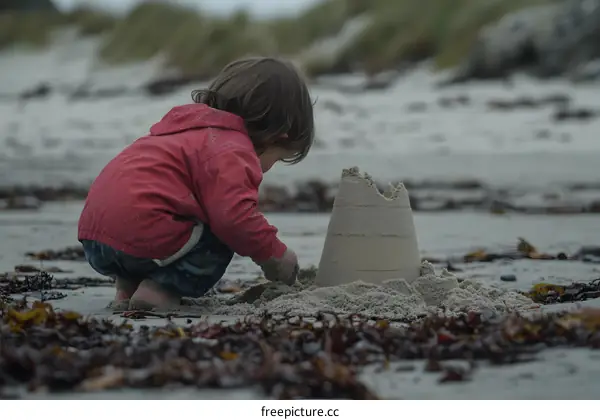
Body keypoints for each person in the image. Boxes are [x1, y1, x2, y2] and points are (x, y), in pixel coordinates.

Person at [78, 57, 315, 311]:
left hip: (95, 240)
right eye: (277, 158)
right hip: (144, 237)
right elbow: (235, 218)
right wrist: (275, 256)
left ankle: (126, 288)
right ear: (279, 135)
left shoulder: (179, 130)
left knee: (167, 217)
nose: (267, 168)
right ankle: (161, 291)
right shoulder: (232, 148)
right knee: (221, 234)